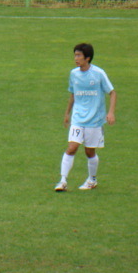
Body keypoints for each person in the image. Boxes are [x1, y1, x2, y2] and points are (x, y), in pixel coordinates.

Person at [55, 43, 116, 192]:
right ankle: (63, 181)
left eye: (79, 55)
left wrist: (111, 112)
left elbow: (112, 93)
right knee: (72, 148)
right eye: (75, 55)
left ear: (87, 58)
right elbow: (73, 94)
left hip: (94, 120)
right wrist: (67, 113)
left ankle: (92, 180)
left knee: (89, 152)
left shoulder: (99, 73)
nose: (76, 58)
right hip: (78, 119)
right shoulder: (74, 74)